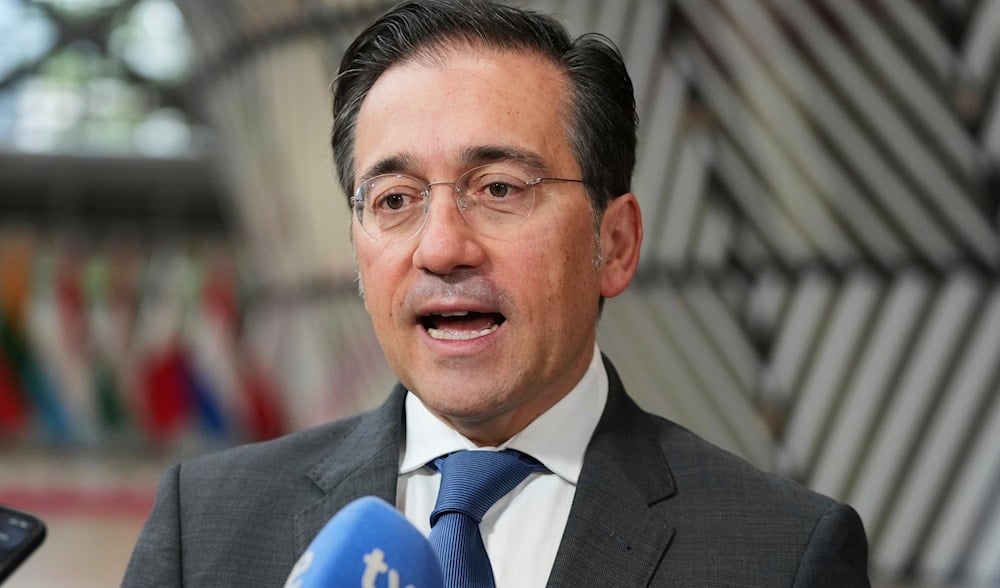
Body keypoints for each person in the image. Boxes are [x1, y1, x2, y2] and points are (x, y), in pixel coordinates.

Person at [123, 0, 870, 586]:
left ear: (614, 244)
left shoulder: (782, 554)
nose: (443, 247)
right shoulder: (208, 527)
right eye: (393, 199)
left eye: (500, 188)